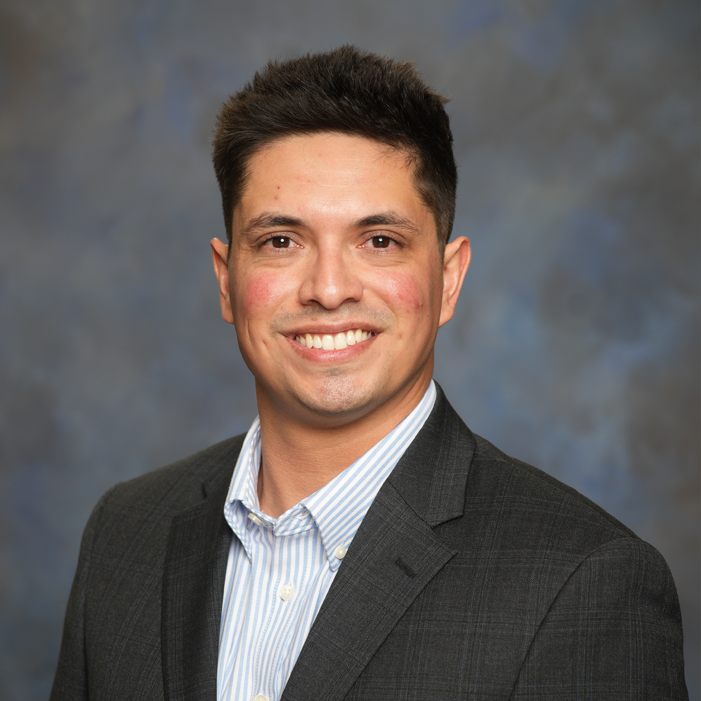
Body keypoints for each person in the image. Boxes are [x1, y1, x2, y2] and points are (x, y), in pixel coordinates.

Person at [51, 46, 687, 701]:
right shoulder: (125, 534)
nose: (328, 289)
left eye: (379, 241)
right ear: (226, 279)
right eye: (281, 241)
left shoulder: (584, 582)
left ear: (448, 279)